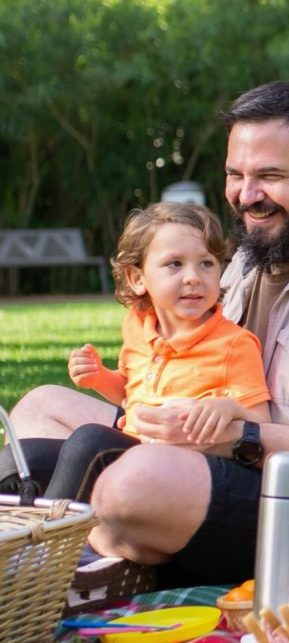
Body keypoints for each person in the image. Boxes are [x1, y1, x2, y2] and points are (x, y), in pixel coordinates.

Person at [7, 82, 289, 593]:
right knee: (38, 414)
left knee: (132, 484)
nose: (246, 196)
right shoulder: (247, 258)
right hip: (206, 456)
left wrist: (237, 439)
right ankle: (83, 547)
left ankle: (67, 567)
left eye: (269, 176)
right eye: (235, 176)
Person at [28, 202, 271, 503]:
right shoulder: (138, 327)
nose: (194, 276)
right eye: (175, 264)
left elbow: (263, 422)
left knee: (89, 441)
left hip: (183, 470)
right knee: (28, 455)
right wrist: (100, 378)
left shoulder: (233, 344)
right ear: (137, 278)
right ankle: (13, 533)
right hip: (133, 449)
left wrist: (229, 409)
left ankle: (50, 540)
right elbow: (132, 393)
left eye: (206, 263)